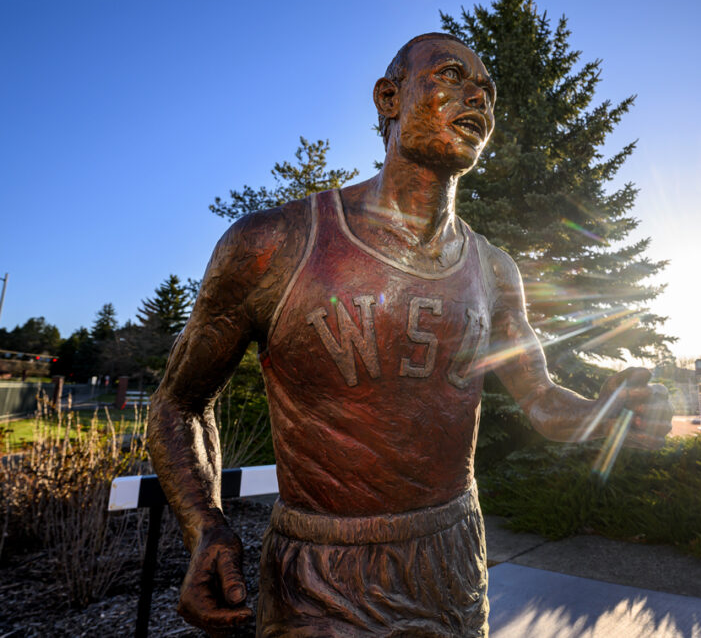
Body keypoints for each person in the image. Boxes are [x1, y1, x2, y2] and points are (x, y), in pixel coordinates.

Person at [148, 32, 672, 637]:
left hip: (452, 561)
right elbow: (178, 404)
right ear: (389, 97)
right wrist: (205, 528)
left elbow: (543, 400)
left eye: (488, 92)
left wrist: (612, 412)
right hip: (320, 576)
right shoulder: (277, 243)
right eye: (452, 76)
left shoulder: (494, 269)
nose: (477, 96)